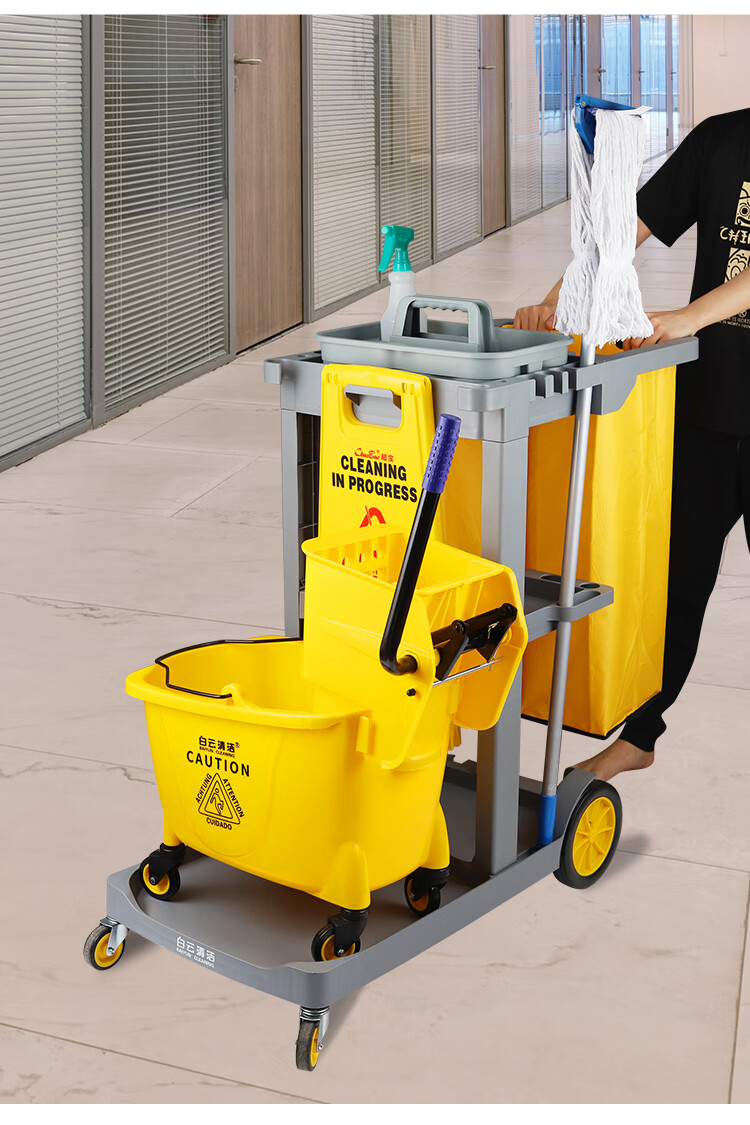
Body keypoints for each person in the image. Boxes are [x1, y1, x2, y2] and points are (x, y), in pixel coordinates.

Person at [515, 109, 750, 782]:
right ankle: (640, 735)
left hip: (713, 366)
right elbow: (622, 233)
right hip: (710, 404)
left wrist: (690, 316)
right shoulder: (721, 139)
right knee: (673, 581)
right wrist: (557, 300)